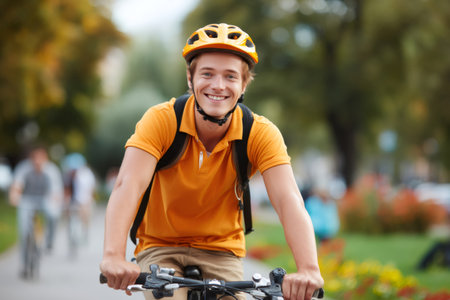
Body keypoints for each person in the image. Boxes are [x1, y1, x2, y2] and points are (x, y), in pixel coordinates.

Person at [100, 23, 323, 300]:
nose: (218, 85)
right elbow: (128, 184)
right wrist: (113, 255)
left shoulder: (260, 133)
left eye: (230, 76)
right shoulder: (161, 121)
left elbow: (289, 200)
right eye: (207, 73)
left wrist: (308, 268)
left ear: (244, 84)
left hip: (221, 250)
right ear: (190, 79)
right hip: (161, 245)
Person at [9, 145, 64, 278]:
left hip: (45, 200)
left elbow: (56, 191)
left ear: (45, 158)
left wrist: (55, 201)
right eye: (35, 158)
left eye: (41, 158)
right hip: (27, 200)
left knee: (53, 215)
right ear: (31, 158)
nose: (38, 161)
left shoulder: (51, 170)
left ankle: (49, 242)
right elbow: (17, 186)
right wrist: (15, 197)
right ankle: (24, 264)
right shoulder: (24, 168)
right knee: (24, 232)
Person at [62, 153, 97, 256]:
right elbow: (66, 189)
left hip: (84, 200)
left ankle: (85, 232)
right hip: (72, 200)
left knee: (85, 216)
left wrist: (87, 201)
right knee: (68, 216)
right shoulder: (67, 175)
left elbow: (89, 190)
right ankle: (71, 238)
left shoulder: (86, 175)